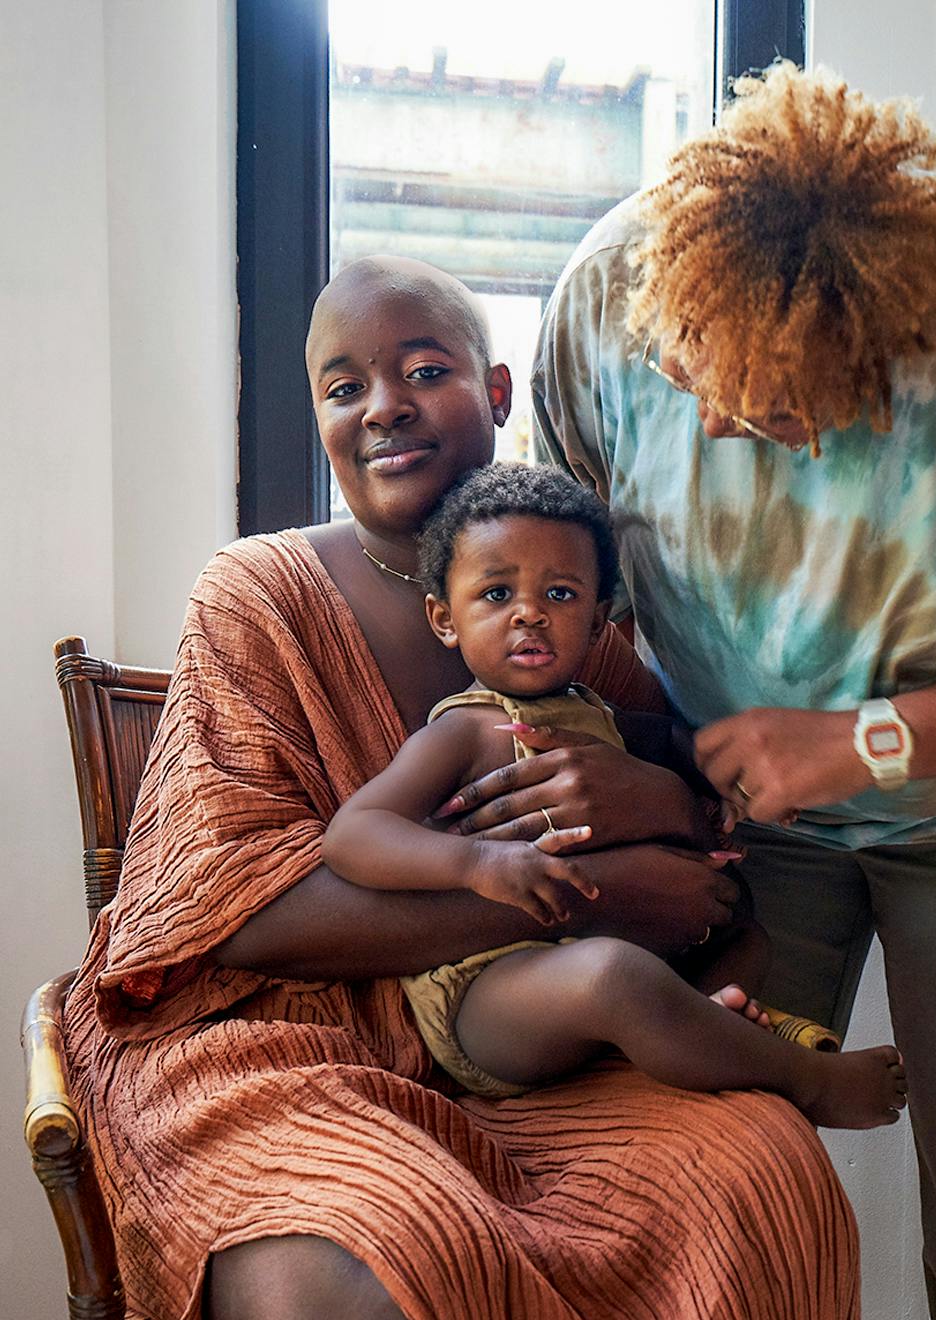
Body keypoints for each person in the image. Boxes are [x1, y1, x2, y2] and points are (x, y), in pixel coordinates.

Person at [63, 255, 863, 1319]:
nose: (383, 407)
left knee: (758, 1173)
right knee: (374, 1259)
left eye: (422, 369)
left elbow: (684, 813)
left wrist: (664, 812)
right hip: (272, 1049)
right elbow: (235, 919)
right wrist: (604, 894)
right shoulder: (257, 595)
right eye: (344, 389)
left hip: (531, 1048)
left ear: (494, 394)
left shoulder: (565, 614)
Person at [531, 62, 936, 1320]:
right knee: (680, 1167)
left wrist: (861, 743)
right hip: (731, 812)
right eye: (694, 383)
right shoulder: (605, 293)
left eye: (777, 410)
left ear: (889, 352)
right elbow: (566, 578)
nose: (721, 426)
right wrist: (634, 766)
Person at [322, 460, 909, 1124]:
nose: (531, 616)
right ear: (443, 617)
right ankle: (808, 1079)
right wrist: (478, 864)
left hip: (598, 961)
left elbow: (673, 747)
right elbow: (353, 835)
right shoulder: (463, 730)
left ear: (601, 623)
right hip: (490, 994)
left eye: (562, 595)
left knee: (746, 940)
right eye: (495, 594)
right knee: (614, 978)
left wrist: (723, 795)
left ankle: (711, 1028)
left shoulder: (595, 714)